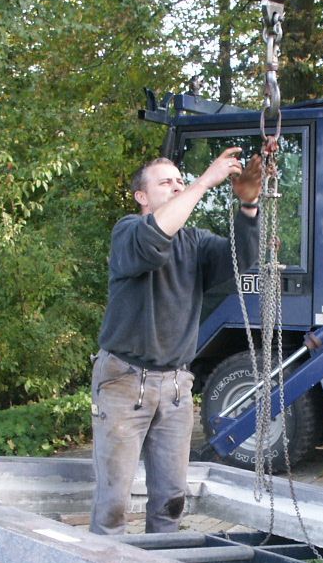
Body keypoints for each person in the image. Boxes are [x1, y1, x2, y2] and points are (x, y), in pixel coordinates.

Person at [90, 146, 263, 535]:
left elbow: (242, 257)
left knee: (171, 502)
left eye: (179, 181)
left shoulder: (196, 244)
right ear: (141, 196)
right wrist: (204, 181)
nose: (175, 187)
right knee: (113, 506)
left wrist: (249, 205)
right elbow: (154, 241)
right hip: (123, 383)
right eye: (165, 182)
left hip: (175, 388)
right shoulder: (128, 233)